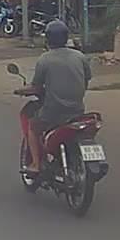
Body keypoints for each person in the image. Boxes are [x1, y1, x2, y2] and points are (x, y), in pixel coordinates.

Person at [13, 20, 91, 175]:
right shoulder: (80, 56)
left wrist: (20, 91)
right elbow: (86, 79)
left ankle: (36, 164)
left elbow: (36, 87)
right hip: (77, 110)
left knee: (33, 127)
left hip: (53, 111)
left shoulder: (45, 59)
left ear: (48, 39)